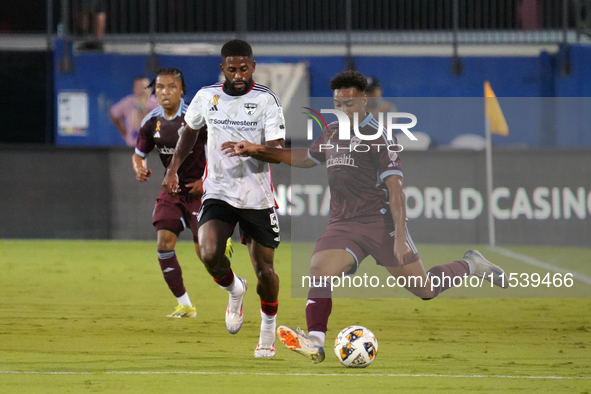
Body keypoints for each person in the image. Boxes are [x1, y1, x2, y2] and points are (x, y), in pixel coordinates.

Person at [223, 70, 508, 364]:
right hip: (343, 225)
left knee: (426, 290)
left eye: (349, 104)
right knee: (319, 271)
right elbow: (308, 157)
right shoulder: (332, 131)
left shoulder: (380, 137)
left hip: (380, 224)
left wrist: (399, 236)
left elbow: (396, 190)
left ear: (362, 101)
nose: (343, 110)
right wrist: (257, 150)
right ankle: (315, 341)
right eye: (338, 104)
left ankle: (471, 264)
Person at [161, 40, 286, 358]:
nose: (239, 74)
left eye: (244, 68)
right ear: (223, 69)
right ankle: (234, 289)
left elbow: (279, 151)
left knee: (266, 273)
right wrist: (173, 169)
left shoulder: (266, 101)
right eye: (232, 69)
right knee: (209, 253)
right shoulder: (206, 97)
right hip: (218, 191)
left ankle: (267, 334)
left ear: (253, 67)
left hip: (256, 197)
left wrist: (252, 148)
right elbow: (189, 132)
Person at [133, 67, 231, 318]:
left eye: (172, 87)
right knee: (164, 242)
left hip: (201, 191)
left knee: (206, 254)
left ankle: (233, 285)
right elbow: (138, 154)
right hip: (171, 189)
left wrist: (205, 179)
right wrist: (140, 168)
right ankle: (185, 304)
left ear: (182, 91)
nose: (165, 92)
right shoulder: (150, 121)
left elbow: (219, 151)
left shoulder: (196, 117)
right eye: (160, 88)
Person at [110, 76, 159, 147]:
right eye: (139, 88)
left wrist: (143, 109)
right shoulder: (128, 102)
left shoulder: (157, 104)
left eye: (144, 87)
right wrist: (123, 131)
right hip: (132, 146)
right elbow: (113, 114)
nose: (142, 90)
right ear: (134, 89)